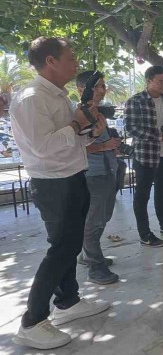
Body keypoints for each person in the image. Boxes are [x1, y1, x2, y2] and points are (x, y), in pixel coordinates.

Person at [10, 37, 110, 349]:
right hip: (53, 183)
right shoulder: (31, 98)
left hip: (72, 175)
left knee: (70, 244)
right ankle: (32, 321)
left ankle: (68, 301)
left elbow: (69, 139)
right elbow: (42, 147)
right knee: (61, 250)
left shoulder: (57, 95)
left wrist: (89, 130)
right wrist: (77, 125)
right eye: (70, 57)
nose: (76, 63)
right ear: (51, 61)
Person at [125, 65, 163, 248]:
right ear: (148, 81)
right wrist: (158, 136)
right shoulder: (135, 101)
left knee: (162, 191)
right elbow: (131, 128)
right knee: (142, 195)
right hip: (145, 155)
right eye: (160, 82)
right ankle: (145, 234)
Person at [75, 71, 120, 286]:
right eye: (97, 86)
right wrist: (105, 146)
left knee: (104, 216)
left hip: (108, 169)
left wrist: (112, 145)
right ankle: (95, 266)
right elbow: (75, 146)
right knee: (94, 221)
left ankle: (87, 254)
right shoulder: (79, 114)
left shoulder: (98, 112)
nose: (102, 90)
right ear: (81, 90)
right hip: (93, 174)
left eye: (103, 85)